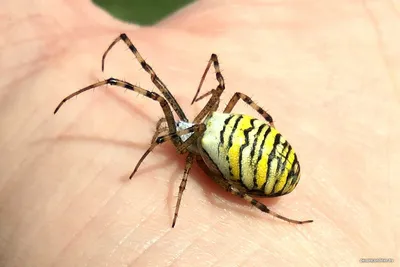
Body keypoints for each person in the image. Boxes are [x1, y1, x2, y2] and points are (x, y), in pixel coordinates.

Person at [1, 1, 398, 266]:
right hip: (238, 134)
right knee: (177, 91)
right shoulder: (202, 121)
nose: (166, 135)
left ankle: (268, 211)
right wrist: (262, 119)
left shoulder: (187, 151)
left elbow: (190, 104)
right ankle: (271, 207)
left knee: (213, 162)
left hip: (242, 148)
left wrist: (162, 173)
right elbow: (221, 78)